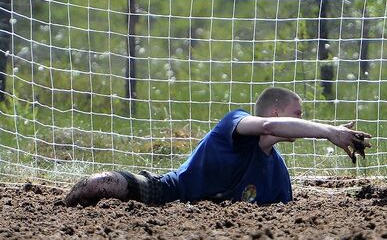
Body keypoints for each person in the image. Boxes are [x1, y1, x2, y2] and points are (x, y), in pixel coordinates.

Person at [63, 87, 371, 206]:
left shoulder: (279, 177)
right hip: (171, 193)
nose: (304, 122)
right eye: (299, 115)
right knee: (103, 184)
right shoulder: (236, 122)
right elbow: (266, 127)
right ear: (276, 113)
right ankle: (63, 207)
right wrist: (329, 132)